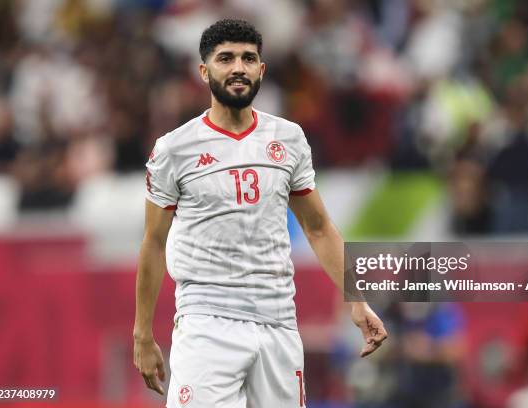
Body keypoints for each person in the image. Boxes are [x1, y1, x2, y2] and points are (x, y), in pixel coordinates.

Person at [132, 19, 387, 407]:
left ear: (261, 70)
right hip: (207, 322)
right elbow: (153, 242)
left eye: (248, 58)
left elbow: (318, 227)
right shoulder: (174, 149)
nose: (238, 67)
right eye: (226, 58)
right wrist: (143, 335)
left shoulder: (288, 138)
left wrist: (357, 299)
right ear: (204, 71)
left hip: (278, 321)